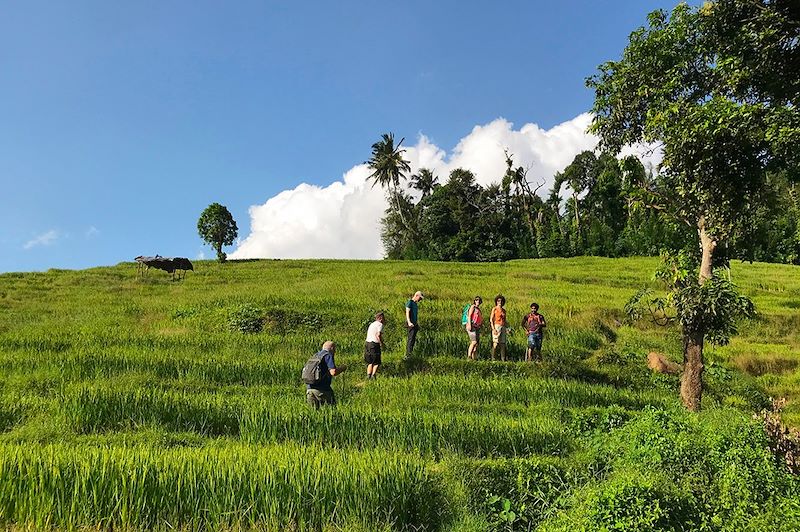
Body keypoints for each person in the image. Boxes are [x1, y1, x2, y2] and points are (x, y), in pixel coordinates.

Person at [306, 340, 345, 408]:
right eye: (335, 350)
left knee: (314, 414)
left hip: (309, 390)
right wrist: (342, 368)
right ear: (332, 349)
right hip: (323, 390)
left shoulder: (315, 356)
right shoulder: (327, 355)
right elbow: (333, 372)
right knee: (331, 411)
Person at [364, 312, 385, 379]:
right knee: (376, 362)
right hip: (374, 344)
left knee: (370, 362)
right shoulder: (380, 324)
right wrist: (382, 343)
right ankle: (373, 376)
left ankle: (368, 376)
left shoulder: (372, 324)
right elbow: (378, 335)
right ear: (381, 318)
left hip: (367, 343)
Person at [405, 290, 424, 359]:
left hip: (414, 323)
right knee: (410, 339)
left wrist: (417, 324)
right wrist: (409, 322)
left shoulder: (415, 304)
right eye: (420, 298)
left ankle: (410, 353)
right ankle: (407, 355)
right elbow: (407, 312)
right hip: (410, 323)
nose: (420, 300)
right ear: (416, 296)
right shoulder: (410, 302)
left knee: (413, 339)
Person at [490, 294, 508, 361]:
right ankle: (493, 358)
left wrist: (507, 328)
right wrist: (493, 328)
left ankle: (503, 359)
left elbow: (505, 320)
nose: (500, 302)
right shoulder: (494, 309)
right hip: (496, 326)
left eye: (501, 301)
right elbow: (491, 319)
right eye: (498, 301)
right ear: (496, 301)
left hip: (503, 326)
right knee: (495, 343)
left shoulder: (504, 310)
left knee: (503, 344)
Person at [465, 296, 483, 360]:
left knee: (476, 344)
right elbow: (469, 316)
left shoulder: (478, 309)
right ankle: (469, 356)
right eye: (476, 300)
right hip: (472, 325)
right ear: (474, 301)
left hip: (477, 327)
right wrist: (469, 324)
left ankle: (474, 358)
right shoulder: (473, 307)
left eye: (479, 300)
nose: (478, 301)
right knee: (474, 342)